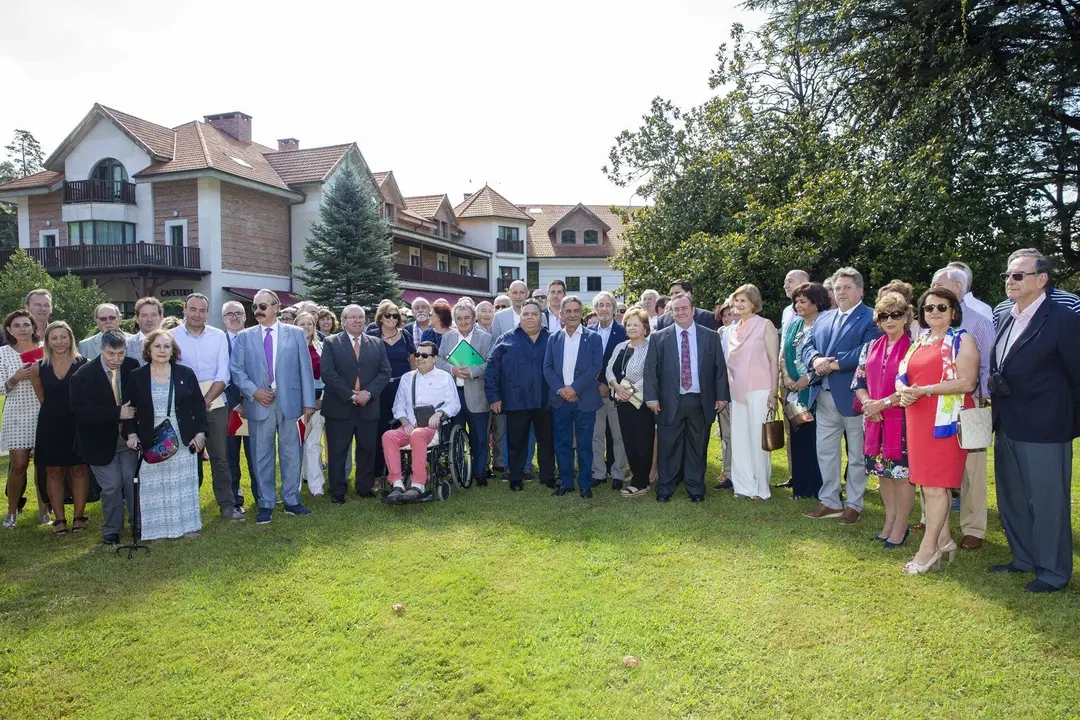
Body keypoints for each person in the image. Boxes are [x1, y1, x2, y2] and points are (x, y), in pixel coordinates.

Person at [988, 251, 1080, 592]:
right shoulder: (1005, 314)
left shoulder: (1063, 317)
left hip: (1046, 425)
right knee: (1012, 496)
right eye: (1008, 276)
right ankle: (1023, 558)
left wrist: (1070, 422)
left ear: (1041, 280)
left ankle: (1053, 572)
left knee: (1047, 502)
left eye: (1018, 276)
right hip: (1008, 421)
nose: (1010, 281)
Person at [896, 287, 978, 575]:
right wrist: (905, 392)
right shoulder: (919, 341)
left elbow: (967, 383)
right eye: (929, 308)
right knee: (927, 483)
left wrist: (924, 391)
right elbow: (905, 378)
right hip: (918, 416)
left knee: (935, 485)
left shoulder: (962, 339)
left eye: (941, 308)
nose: (934, 313)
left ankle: (927, 550)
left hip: (945, 420)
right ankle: (944, 540)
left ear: (953, 312)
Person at [801, 267, 882, 524]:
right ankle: (830, 501)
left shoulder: (872, 318)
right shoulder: (824, 318)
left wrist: (832, 364)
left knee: (857, 454)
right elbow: (807, 345)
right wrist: (815, 360)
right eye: (837, 288)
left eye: (847, 287)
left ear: (860, 290)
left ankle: (854, 504)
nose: (841, 292)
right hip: (824, 396)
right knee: (826, 451)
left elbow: (867, 350)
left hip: (856, 397)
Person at [229, 289, 316, 524]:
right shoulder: (244, 337)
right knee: (261, 455)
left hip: (291, 404)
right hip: (259, 403)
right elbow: (236, 370)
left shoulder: (295, 334)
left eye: (263, 306)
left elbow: (305, 370)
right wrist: (254, 391)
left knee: (291, 454)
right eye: (255, 307)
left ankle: (292, 500)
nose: (257, 311)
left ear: (276, 307)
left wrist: (308, 402)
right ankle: (265, 503)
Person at [931, 266, 996, 550]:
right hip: (932, 404)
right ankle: (931, 518)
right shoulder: (928, 319)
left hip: (969, 404)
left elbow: (988, 366)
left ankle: (973, 528)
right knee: (934, 465)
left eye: (937, 283)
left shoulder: (980, 321)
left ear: (958, 287)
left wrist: (982, 399)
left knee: (972, 469)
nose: (932, 287)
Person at [644, 294, 729, 502]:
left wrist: (721, 396)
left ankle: (695, 488)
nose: (681, 312)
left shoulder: (710, 336)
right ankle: (665, 488)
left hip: (700, 400)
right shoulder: (659, 337)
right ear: (671, 312)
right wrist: (652, 398)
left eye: (684, 308)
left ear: (693, 310)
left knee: (697, 447)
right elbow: (650, 371)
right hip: (669, 401)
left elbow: (719, 369)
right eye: (676, 309)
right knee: (668, 446)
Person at [123, 329, 206, 540]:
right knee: (154, 486)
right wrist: (131, 435)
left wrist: (201, 434)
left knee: (182, 483)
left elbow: (198, 406)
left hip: (183, 436)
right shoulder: (137, 376)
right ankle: (157, 530)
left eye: (166, 346)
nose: (162, 350)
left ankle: (186, 527)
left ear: (173, 350)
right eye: (157, 346)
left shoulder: (185, 374)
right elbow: (129, 409)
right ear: (148, 350)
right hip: (151, 438)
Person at [171, 293, 240, 521]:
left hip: (216, 402)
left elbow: (224, 373)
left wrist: (206, 400)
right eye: (193, 309)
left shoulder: (218, 336)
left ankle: (227, 505)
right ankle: (186, 507)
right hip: (183, 406)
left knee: (220, 456)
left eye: (202, 310)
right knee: (187, 457)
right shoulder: (171, 337)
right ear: (185, 309)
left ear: (207, 313)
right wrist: (193, 404)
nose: (197, 314)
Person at [852, 292, 914, 547]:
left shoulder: (914, 348)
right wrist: (868, 404)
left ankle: (901, 524)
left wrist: (883, 403)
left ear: (906, 317)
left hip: (902, 420)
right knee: (883, 474)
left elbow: (913, 387)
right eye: (884, 315)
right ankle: (889, 520)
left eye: (896, 315)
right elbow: (859, 381)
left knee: (901, 475)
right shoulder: (870, 347)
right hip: (874, 419)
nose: (890, 320)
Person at [69, 330, 139, 544]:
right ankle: (111, 530)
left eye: (120, 353)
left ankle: (137, 523)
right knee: (111, 486)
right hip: (97, 441)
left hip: (128, 438)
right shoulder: (83, 376)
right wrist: (116, 412)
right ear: (101, 350)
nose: (116, 359)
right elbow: (79, 412)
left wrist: (133, 430)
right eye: (111, 354)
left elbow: (138, 399)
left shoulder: (132, 366)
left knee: (131, 480)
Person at [321, 304, 392, 504]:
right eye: (352, 317)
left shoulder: (376, 344)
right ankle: (337, 490)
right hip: (340, 407)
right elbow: (327, 373)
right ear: (343, 322)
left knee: (367, 450)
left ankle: (364, 487)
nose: (357, 320)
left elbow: (385, 372)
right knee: (337, 451)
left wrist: (368, 393)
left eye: (360, 317)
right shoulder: (331, 342)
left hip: (368, 407)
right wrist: (351, 395)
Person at [485, 299, 556, 491]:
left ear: (541, 317)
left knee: (547, 441)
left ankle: (548, 476)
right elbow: (491, 370)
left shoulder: (552, 339)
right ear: (520, 317)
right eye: (526, 314)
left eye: (534, 314)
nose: (530, 317)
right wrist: (494, 397)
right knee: (516, 442)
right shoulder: (505, 339)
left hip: (546, 400)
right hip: (516, 400)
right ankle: (515, 478)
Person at [381, 341, 461, 503]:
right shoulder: (407, 378)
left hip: (433, 428)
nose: (419, 358)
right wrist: (404, 422)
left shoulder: (444, 377)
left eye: (425, 355)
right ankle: (397, 484)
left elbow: (454, 404)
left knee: (417, 435)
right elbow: (399, 405)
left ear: (434, 359)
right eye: (417, 355)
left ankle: (418, 485)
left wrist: (439, 413)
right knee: (388, 436)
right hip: (410, 424)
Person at [544, 296, 603, 498]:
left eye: (576, 311)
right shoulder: (553, 338)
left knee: (585, 445)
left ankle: (585, 484)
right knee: (562, 443)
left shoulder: (593, 337)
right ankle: (566, 482)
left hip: (584, 400)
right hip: (561, 401)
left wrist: (574, 389)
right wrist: (562, 390)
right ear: (561, 314)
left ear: (581, 313)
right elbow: (548, 368)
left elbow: (595, 367)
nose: (572, 315)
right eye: (567, 311)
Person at [34, 321, 89, 535]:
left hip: (78, 422)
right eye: (54, 338)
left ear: (71, 338)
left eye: (63, 337)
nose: (59, 342)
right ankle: (59, 519)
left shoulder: (84, 363)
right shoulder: (39, 367)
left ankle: (79, 517)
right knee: (54, 471)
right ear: (47, 341)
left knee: (79, 468)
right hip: (51, 423)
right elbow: (42, 397)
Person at [726, 284, 779, 500]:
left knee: (758, 440)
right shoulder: (731, 329)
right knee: (739, 440)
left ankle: (760, 489)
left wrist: (774, 392)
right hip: (736, 390)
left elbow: (774, 360)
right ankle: (743, 486)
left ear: (754, 303)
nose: (738, 305)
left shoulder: (765, 325)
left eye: (743, 301)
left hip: (761, 388)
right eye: (736, 301)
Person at [779, 283, 827, 501]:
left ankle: (817, 488)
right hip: (794, 392)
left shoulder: (825, 324)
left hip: (816, 392)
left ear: (816, 303)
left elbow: (827, 355)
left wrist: (807, 379)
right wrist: (787, 377)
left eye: (802, 301)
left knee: (816, 441)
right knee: (798, 438)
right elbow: (783, 354)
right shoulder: (794, 325)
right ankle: (800, 488)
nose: (797, 305)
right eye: (796, 301)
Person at [437, 301, 492, 486]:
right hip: (454, 395)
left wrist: (472, 371)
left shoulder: (486, 338)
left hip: (477, 393)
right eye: (459, 318)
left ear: (474, 318)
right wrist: (452, 370)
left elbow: (491, 365)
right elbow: (439, 361)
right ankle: (459, 469)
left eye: (467, 317)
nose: (463, 322)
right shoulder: (447, 337)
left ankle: (480, 472)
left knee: (479, 437)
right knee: (455, 434)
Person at [605, 308, 653, 498]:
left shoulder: (651, 347)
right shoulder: (621, 347)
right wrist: (617, 387)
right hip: (622, 402)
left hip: (640, 404)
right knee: (629, 441)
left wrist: (631, 390)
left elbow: (650, 372)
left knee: (642, 442)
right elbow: (609, 369)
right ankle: (636, 475)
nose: (631, 328)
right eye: (628, 324)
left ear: (645, 328)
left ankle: (641, 482)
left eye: (636, 324)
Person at [366, 300, 416, 484]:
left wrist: (413, 385)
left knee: (402, 430)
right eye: (388, 315)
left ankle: (402, 472)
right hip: (379, 389)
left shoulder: (405, 336)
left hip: (401, 388)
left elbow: (412, 361)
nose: (392, 318)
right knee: (380, 431)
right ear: (380, 317)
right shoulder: (371, 335)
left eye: (396, 315)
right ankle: (379, 474)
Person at [1, 310, 43, 529]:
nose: (23, 329)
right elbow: (1, 388)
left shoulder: (45, 348)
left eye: (26, 324)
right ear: (9, 330)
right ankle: (11, 511)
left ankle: (45, 510)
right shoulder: (3, 353)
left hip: (42, 410)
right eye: (17, 326)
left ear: (33, 327)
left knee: (43, 464)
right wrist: (15, 378)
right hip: (16, 413)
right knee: (18, 464)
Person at [588, 291, 628, 489]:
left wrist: (609, 384)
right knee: (596, 435)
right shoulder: (588, 333)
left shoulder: (623, 332)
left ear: (613, 308)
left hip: (616, 392)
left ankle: (618, 473)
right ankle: (598, 472)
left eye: (607, 305)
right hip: (593, 392)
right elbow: (585, 364)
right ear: (595, 309)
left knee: (618, 435)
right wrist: (597, 385)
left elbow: (625, 363)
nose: (604, 309)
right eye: (600, 305)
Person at [221, 300, 255, 511]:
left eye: (239, 313)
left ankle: (262, 497)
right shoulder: (217, 341)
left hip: (254, 405)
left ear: (245, 317)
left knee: (257, 455)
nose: (234, 317)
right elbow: (219, 375)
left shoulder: (255, 339)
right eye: (229, 314)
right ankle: (235, 500)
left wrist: (250, 400)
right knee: (230, 457)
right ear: (223, 319)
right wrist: (235, 404)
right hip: (228, 409)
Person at [295, 311, 326, 496]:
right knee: (295, 445)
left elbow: (328, 376)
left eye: (310, 324)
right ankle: (294, 486)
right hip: (296, 402)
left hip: (318, 400)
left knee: (314, 444)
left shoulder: (322, 347)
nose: (306, 327)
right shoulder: (289, 348)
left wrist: (321, 399)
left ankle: (316, 486)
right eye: (302, 323)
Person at [713, 298, 736, 489]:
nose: (728, 318)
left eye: (731, 313)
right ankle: (727, 472)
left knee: (741, 434)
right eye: (724, 315)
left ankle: (741, 472)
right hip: (723, 389)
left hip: (741, 389)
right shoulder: (720, 333)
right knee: (726, 434)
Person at [127, 297, 163, 365]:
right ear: (137, 319)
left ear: (161, 317)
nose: (149, 319)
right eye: (144, 315)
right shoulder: (127, 345)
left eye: (153, 315)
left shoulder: (171, 343)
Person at [781, 270, 810, 335]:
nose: (785, 286)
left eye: (790, 281)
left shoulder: (813, 308)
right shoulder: (786, 311)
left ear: (804, 283)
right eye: (785, 282)